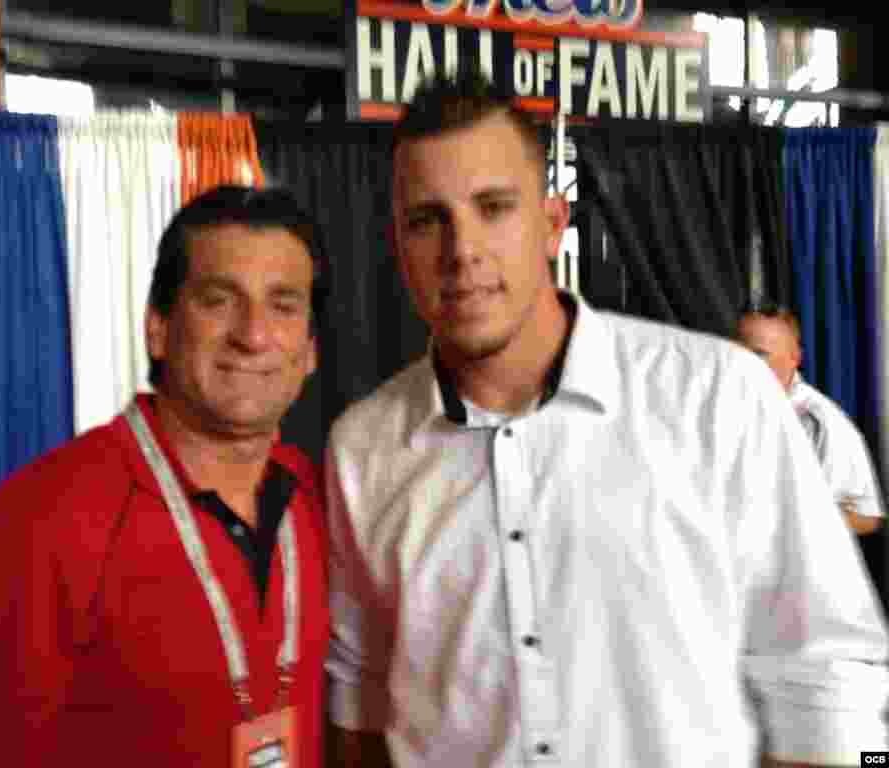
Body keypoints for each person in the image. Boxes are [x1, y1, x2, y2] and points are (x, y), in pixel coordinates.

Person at [324, 72, 888, 768]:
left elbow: (824, 673)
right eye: (427, 219)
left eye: (494, 207)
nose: (461, 250)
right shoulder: (362, 448)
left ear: (553, 224)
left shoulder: (718, 397)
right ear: (397, 244)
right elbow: (363, 699)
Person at [0, 186, 330, 767]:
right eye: (218, 300)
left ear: (310, 350)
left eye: (283, 305)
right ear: (157, 327)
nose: (253, 334)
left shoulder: (319, 500)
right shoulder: (31, 527)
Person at [738, 302, 885, 536]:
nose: (743, 363)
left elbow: (866, 517)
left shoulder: (822, 423)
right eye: (738, 352)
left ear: (795, 357)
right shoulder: (726, 405)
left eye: (760, 354)